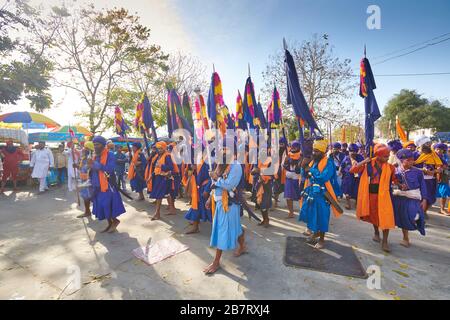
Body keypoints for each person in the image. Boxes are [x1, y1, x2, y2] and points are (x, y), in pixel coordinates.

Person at [204, 148, 246, 274]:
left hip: (229, 204)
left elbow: (228, 185)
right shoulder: (220, 164)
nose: (221, 152)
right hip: (219, 202)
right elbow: (215, 184)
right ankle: (243, 246)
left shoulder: (236, 166)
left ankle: (216, 262)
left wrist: (216, 177)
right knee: (236, 228)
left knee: (222, 231)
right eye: (220, 150)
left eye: (224, 150)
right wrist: (211, 197)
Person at [351, 143, 396, 252]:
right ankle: (376, 233)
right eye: (386, 156)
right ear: (378, 155)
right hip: (370, 195)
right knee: (374, 216)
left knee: (386, 217)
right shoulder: (368, 164)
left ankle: (385, 241)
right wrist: (363, 162)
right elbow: (352, 170)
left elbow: (394, 179)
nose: (388, 158)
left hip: (385, 195)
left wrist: (400, 184)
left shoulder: (390, 167)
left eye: (388, 155)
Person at [299, 139, 341, 249]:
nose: (314, 153)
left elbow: (323, 177)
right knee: (312, 214)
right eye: (313, 150)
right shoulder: (313, 161)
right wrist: (303, 166)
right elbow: (306, 175)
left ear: (323, 152)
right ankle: (315, 232)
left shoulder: (329, 163)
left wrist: (310, 170)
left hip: (323, 194)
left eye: (317, 151)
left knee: (322, 215)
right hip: (311, 192)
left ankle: (322, 239)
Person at [89, 136, 126, 233]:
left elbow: (110, 168)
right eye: (94, 145)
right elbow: (93, 169)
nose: (96, 146)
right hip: (97, 185)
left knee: (107, 205)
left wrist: (97, 166)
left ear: (103, 145)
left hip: (107, 185)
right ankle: (110, 223)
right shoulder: (95, 155)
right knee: (101, 206)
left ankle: (115, 221)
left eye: (98, 144)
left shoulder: (110, 154)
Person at [392, 149, 426, 247]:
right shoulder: (395, 171)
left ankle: (419, 224)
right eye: (409, 160)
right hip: (400, 197)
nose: (412, 162)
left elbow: (423, 186)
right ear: (402, 161)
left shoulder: (418, 172)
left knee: (414, 215)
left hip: (414, 197)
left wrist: (424, 199)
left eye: (412, 160)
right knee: (404, 218)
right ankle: (405, 238)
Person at [414, 136, 442, 219]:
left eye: (429, 143)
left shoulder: (434, 155)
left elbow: (440, 167)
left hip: (431, 181)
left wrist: (435, 171)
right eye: (426, 144)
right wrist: (422, 170)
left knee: (431, 198)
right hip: (419, 180)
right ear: (420, 145)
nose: (429, 145)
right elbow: (409, 166)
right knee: (420, 198)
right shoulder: (414, 155)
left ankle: (424, 212)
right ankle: (419, 215)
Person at [145, 141, 175, 220]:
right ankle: (172, 210)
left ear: (165, 148)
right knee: (167, 194)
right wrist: (150, 177)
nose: (159, 150)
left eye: (161, 148)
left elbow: (171, 167)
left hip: (164, 178)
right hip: (159, 177)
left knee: (159, 196)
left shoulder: (167, 156)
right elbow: (156, 169)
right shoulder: (159, 156)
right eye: (158, 148)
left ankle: (157, 213)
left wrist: (161, 165)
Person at [184, 156, 212, 234]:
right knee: (195, 207)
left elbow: (211, 177)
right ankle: (195, 227)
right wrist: (194, 169)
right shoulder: (196, 162)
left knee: (210, 210)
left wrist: (207, 190)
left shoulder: (207, 162)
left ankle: (218, 231)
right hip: (198, 189)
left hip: (205, 189)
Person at [252, 147, 274, 227]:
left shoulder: (270, 162)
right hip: (258, 185)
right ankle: (264, 219)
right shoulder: (257, 161)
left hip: (267, 186)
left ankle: (267, 220)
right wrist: (255, 171)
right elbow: (252, 172)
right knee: (260, 203)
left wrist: (262, 173)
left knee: (264, 203)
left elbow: (274, 175)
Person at [340, 143, 364, 210]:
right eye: (351, 151)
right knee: (347, 191)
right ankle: (348, 204)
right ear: (349, 151)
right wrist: (340, 172)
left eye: (355, 151)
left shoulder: (360, 157)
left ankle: (357, 203)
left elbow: (364, 165)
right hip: (348, 177)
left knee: (357, 191)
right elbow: (342, 165)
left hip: (357, 178)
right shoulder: (346, 157)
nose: (353, 153)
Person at [283, 141, 302, 218]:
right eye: (292, 147)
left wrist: (299, 162)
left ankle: (303, 211)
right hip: (288, 178)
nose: (293, 148)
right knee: (288, 196)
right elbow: (284, 166)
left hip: (298, 178)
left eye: (295, 147)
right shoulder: (288, 155)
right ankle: (291, 212)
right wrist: (286, 161)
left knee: (301, 196)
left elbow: (300, 169)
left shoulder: (301, 156)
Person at [76, 141, 95, 218]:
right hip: (82, 180)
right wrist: (76, 166)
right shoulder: (83, 158)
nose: (83, 149)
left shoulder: (90, 158)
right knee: (85, 196)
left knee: (88, 196)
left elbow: (88, 168)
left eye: (85, 148)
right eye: (84, 148)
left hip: (88, 180)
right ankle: (87, 211)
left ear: (89, 150)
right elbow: (81, 168)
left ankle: (90, 211)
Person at [434, 143, 450, 216]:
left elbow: (446, 166)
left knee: (444, 193)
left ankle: (442, 209)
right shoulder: (432, 156)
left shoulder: (445, 156)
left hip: (444, 177)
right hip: (435, 176)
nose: (439, 151)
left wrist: (445, 166)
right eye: (437, 149)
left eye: (440, 149)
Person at [273, 137, 288, 207]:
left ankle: (289, 205)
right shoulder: (276, 151)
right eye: (279, 144)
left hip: (285, 173)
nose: (280, 145)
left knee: (287, 189)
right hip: (277, 172)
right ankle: (275, 203)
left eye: (282, 144)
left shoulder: (288, 151)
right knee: (276, 189)